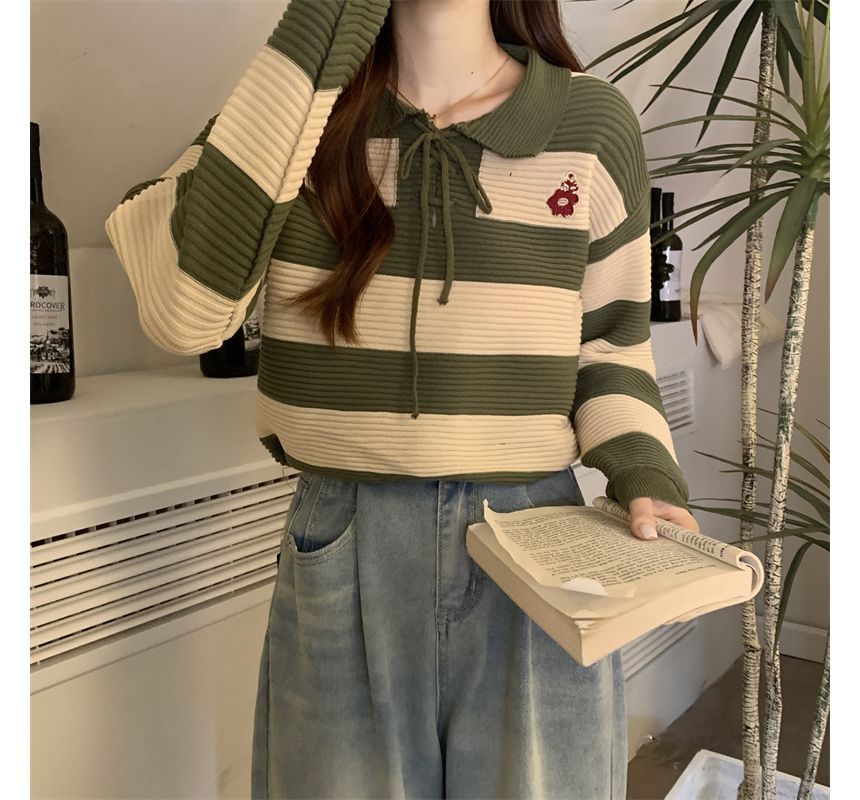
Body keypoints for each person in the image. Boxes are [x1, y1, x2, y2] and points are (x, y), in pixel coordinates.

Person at [104, 0, 700, 797]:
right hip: (344, 536)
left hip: (536, 542)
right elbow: (184, 315)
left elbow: (611, 347)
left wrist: (645, 475)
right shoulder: (292, 120)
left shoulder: (590, 123)